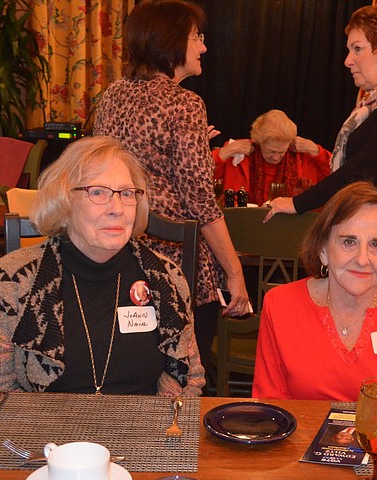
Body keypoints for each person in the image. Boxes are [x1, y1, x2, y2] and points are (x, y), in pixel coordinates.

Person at [0, 136, 205, 396]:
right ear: (64, 201)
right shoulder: (13, 279)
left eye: (127, 194)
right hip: (48, 431)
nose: (117, 208)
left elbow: (190, 378)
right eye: (97, 192)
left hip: (145, 429)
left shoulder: (167, 278)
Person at [93, 0, 249, 377]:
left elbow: (134, 165)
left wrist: (200, 149)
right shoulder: (184, 104)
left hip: (115, 257)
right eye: (197, 37)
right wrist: (234, 272)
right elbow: (199, 201)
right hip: (171, 269)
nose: (204, 47)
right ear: (173, 41)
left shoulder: (112, 95)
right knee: (189, 364)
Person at [264, 4, 377, 281]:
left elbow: (365, 168)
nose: (348, 60)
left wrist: (299, 203)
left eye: (357, 49)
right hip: (374, 239)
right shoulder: (376, 102)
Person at [253, 181, 377, 403]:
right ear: (323, 250)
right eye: (349, 242)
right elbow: (271, 403)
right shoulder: (280, 305)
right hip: (303, 436)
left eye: (376, 245)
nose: (362, 259)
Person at [212, 109, 331, 206]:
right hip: (243, 222)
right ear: (258, 142)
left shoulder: (303, 157)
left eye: (281, 151)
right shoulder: (238, 153)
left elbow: (338, 177)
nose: (275, 157)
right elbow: (202, 177)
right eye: (271, 151)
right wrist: (226, 152)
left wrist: (317, 152)